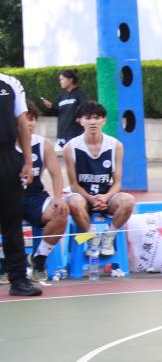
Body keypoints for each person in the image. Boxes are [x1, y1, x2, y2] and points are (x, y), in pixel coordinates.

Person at [63, 101, 135, 258]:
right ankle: (91, 238)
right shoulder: (70, 147)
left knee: (128, 201)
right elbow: (73, 184)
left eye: (97, 117)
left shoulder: (116, 146)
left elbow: (117, 183)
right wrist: (91, 199)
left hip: (106, 196)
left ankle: (109, 236)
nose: (92, 122)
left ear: (104, 120)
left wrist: (106, 197)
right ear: (80, 121)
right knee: (73, 202)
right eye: (88, 118)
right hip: (83, 196)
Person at [0, 69, 40, 296]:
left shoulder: (10, 83)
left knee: (12, 222)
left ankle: (18, 280)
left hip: (7, 158)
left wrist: (28, 161)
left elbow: (22, 123)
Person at [19, 102, 69, 282]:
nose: (29, 123)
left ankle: (39, 258)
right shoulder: (5, 144)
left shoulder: (43, 144)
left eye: (32, 119)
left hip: (35, 197)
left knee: (61, 212)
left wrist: (58, 198)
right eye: (25, 119)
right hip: (10, 197)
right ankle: (4, 263)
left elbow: (56, 175)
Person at [39, 68, 86, 149]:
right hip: (61, 136)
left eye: (62, 79)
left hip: (74, 135)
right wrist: (51, 107)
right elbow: (56, 112)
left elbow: (85, 108)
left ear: (70, 80)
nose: (60, 82)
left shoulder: (79, 94)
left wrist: (80, 117)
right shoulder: (61, 96)